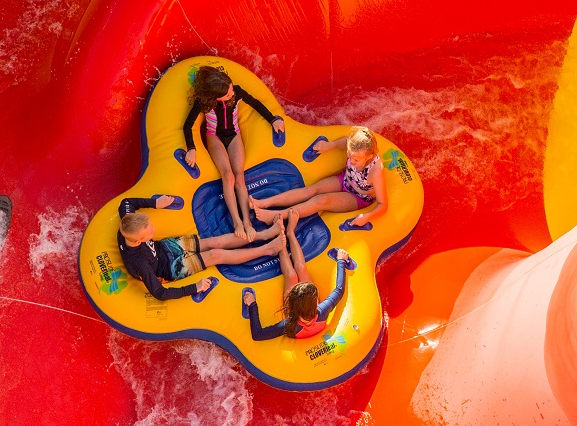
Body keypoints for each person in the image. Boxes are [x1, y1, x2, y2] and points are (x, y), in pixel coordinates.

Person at [181, 66, 283, 242]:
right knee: (228, 176)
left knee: (239, 176)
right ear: (216, 96)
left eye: (230, 89)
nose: (231, 94)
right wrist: (191, 148)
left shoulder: (236, 91)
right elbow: (188, 125)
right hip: (214, 137)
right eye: (227, 94)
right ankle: (237, 222)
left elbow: (256, 103)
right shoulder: (203, 102)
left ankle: (247, 221)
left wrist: (273, 119)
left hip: (234, 135)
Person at [118, 196, 283, 301]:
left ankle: (264, 235)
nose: (154, 230)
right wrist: (194, 288)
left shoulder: (127, 223)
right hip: (170, 268)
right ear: (139, 240)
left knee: (214, 242)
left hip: (165, 248)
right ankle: (267, 249)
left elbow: (126, 202)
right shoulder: (140, 263)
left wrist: (155, 203)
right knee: (215, 255)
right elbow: (160, 293)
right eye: (149, 232)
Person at [242, 208, 352, 340]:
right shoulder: (322, 310)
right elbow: (339, 290)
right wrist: (341, 260)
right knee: (300, 268)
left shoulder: (290, 324)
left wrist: (252, 304)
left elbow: (258, 335)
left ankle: (280, 236)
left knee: (291, 275)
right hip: (304, 312)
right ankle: (290, 233)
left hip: (297, 314)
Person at [250, 126, 385, 227]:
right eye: (350, 156)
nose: (352, 161)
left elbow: (383, 204)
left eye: (356, 160)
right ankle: (266, 202)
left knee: (321, 200)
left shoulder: (375, 171)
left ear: (369, 156)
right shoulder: (355, 144)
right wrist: (329, 145)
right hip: (346, 179)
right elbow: (345, 142)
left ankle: (277, 215)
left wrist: (367, 216)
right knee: (311, 190)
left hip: (358, 197)